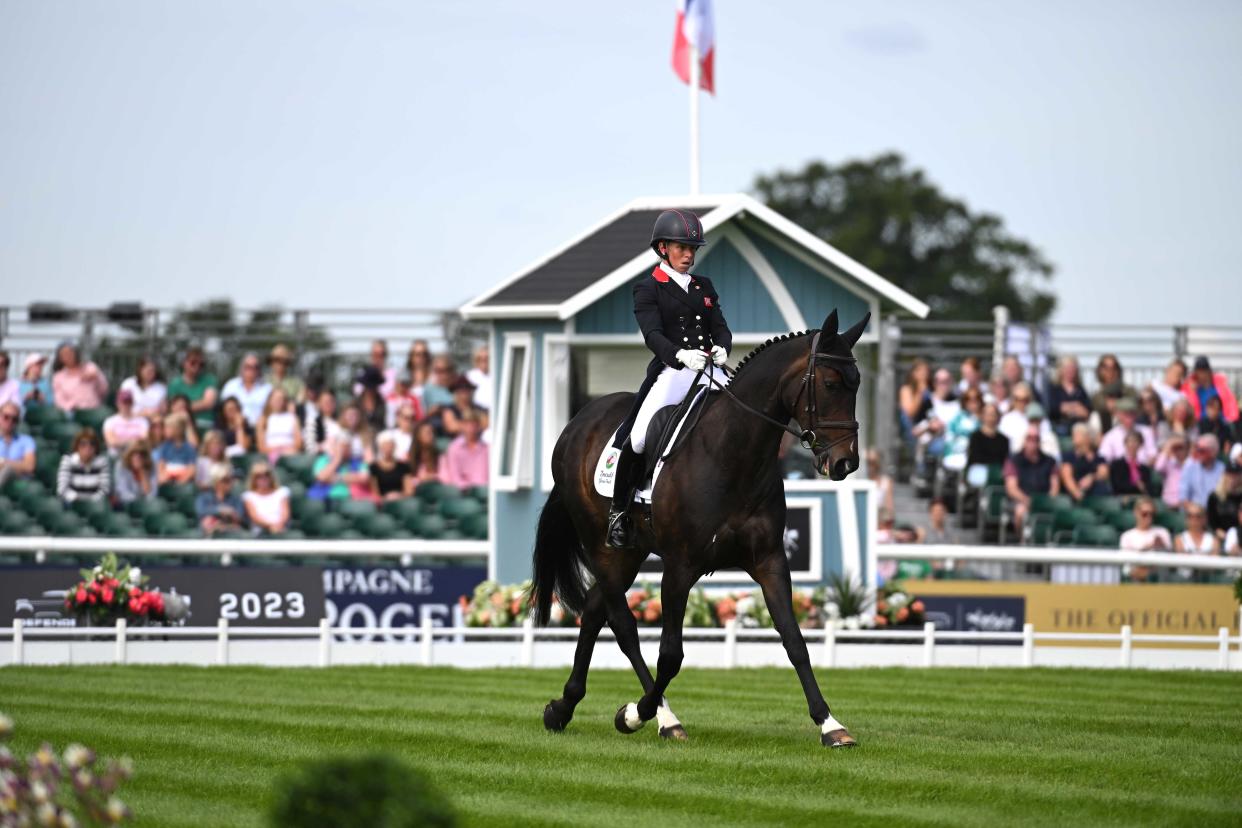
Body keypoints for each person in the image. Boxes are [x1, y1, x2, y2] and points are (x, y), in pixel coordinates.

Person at [606, 209, 731, 548]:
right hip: (674, 370)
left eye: (693, 249)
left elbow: (719, 325)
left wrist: (723, 347)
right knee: (639, 437)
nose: (689, 255)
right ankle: (619, 511)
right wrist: (679, 355)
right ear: (663, 248)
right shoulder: (648, 288)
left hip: (709, 368)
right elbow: (653, 335)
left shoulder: (704, 286)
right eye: (682, 248)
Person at [1003, 424, 1060, 538]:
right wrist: (1028, 501)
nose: (1033, 442)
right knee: (1020, 511)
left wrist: (1046, 502)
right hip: (1022, 501)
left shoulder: (1050, 461)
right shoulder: (1013, 460)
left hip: (1045, 501)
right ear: (1024, 440)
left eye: (1036, 439)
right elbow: (1012, 489)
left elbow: (1055, 487)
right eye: (1030, 438)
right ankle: (1022, 541)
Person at [308, 435, 371, 502]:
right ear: (335, 448)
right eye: (342, 447)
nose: (345, 450)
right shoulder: (323, 460)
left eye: (348, 447)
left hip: (350, 498)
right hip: (324, 497)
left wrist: (336, 478)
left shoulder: (358, 462)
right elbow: (321, 477)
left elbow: (364, 478)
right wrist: (337, 459)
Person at [57, 428, 110, 503]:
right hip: (72, 504)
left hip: (95, 505)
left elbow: (104, 490)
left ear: (96, 447)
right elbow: (62, 490)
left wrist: (91, 502)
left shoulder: (102, 462)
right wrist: (77, 500)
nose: (87, 448)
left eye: (92, 444)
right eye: (83, 444)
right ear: (77, 446)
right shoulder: (68, 461)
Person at [1060, 422, 1110, 502]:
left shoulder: (1098, 457)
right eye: (1074, 434)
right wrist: (1077, 493)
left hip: (1095, 495)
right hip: (1075, 497)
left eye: (1078, 434)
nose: (1074, 436)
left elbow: (1104, 473)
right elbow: (1067, 477)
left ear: (1087, 437)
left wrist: (1092, 477)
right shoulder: (1068, 457)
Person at [51, 342, 108, 412]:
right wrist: (72, 406)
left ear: (76, 353)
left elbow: (103, 390)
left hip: (94, 410)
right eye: (64, 354)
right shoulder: (58, 377)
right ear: (60, 358)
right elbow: (59, 400)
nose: (68, 356)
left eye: (70, 352)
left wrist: (97, 377)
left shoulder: (90, 367)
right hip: (73, 413)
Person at [1180, 356, 1238, 423]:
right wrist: (1192, 393)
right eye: (1199, 371)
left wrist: (1228, 420)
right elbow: (1190, 412)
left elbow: (1231, 407)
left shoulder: (1220, 387)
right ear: (1195, 373)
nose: (1202, 374)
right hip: (1199, 424)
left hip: (1221, 424)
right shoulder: (1189, 389)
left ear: (1209, 371)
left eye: (1204, 371)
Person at [1098, 398, 1156, 464]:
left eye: (1132, 413)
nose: (1129, 417)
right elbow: (1104, 458)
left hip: (1144, 469)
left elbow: (1153, 455)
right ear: (1118, 414)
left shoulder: (1146, 431)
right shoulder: (1110, 436)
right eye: (1125, 414)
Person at [220, 353, 271, 427]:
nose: (252, 370)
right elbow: (223, 410)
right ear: (241, 368)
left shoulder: (267, 389)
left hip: (259, 428)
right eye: (248, 367)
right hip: (233, 427)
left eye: (255, 367)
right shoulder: (231, 386)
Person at [1090, 354, 1136, 434]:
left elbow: (1134, 403)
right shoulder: (1097, 395)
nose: (1110, 372)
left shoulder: (1128, 390)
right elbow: (1098, 404)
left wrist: (1117, 405)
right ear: (1100, 371)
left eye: (1114, 368)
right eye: (1106, 368)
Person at [1046, 355, 1091, 436]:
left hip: (1078, 429)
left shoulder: (1080, 390)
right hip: (1058, 428)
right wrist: (1075, 406)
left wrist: (1066, 408)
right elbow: (1052, 409)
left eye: (1073, 368)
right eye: (1067, 368)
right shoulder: (1054, 388)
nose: (1070, 371)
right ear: (1061, 370)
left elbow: (1086, 412)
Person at [195, 463, 245, 536]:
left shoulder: (236, 499)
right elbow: (200, 511)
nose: (230, 483)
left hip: (230, 530)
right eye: (226, 480)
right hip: (209, 531)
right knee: (207, 522)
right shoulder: (204, 497)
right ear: (217, 482)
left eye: (230, 480)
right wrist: (220, 510)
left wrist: (231, 513)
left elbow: (239, 517)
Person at [439, 417, 489, 489]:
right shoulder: (454, 447)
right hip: (463, 490)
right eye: (467, 425)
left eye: (474, 426)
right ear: (462, 426)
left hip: (484, 489)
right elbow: (455, 476)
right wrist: (465, 487)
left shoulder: (486, 448)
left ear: (478, 427)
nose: (471, 429)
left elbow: (487, 476)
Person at [167, 346, 218, 416]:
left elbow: (208, 403)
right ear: (184, 363)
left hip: (205, 424)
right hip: (182, 422)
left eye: (201, 365)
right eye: (193, 363)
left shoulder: (209, 380)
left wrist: (183, 407)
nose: (197, 367)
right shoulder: (175, 384)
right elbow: (173, 408)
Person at [242, 461, 290, 535]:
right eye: (259, 476)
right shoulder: (248, 496)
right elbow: (255, 517)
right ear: (253, 479)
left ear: (271, 477)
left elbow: (285, 514)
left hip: (281, 529)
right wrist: (271, 526)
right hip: (260, 532)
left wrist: (278, 525)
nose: (263, 478)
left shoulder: (282, 492)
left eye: (267, 475)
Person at [256, 388, 303, 461]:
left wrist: (284, 449)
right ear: (270, 400)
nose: (278, 401)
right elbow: (261, 446)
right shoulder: (263, 419)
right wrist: (277, 450)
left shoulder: (292, 418)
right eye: (276, 399)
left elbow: (298, 443)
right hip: (269, 454)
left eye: (281, 399)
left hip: (290, 454)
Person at [942, 387, 982, 472]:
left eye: (976, 399)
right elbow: (949, 436)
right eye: (969, 399)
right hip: (956, 451)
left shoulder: (984, 419)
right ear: (965, 402)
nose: (973, 403)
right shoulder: (957, 418)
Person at [1179, 434, 1224, 509]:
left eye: (1202, 451)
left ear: (1213, 452)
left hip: (1215, 513)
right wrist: (1195, 511)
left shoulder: (1222, 469)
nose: (1198, 453)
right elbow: (1183, 497)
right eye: (1197, 449)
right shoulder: (1190, 466)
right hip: (1194, 513)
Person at [102, 389, 149, 456]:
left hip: (137, 455)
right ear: (117, 403)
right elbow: (111, 442)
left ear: (132, 403)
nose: (126, 405)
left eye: (128, 402)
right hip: (117, 456)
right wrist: (132, 441)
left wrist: (121, 442)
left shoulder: (142, 421)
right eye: (123, 402)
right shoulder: (110, 421)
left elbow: (144, 440)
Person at [1108, 431, 1154, 497]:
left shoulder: (1144, 468)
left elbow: (1148, 489)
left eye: (1135, 442)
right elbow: (1117, 486)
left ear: (1140, 445)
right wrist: (1137, 486)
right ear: (1125, 444)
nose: (1132, 445)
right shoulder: (1117, 464)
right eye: (1129, 441)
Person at [0, 401, 35, 486]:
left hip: (18, 480)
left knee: (8, 470)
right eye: (6, 417)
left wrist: (3, 462)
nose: (10, 421)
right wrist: (18, 464)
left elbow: (29, 466)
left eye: (14, 419)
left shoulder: (26, 440)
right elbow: (23, 465)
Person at [156, 413, 197, 485]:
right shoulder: (164, 447)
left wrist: (181, 481)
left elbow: (192, 469)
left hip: (183, 479)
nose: (165, 430)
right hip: (168, 478)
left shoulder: (189, 448)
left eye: (168, 428)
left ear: (177, 429)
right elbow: (160, 466)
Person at [369, 433, 413, 501]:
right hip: (383, 503)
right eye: (385, 446)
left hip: (401, 501)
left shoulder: (403, 466)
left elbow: (409, 490)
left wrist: (399, 496)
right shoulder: (373, 467)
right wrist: (386, 498)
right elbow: (375, 492)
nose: (388, 449)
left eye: (390, 446)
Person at [966, 403, 1010, 469]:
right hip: (978, 472)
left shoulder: (1004, 440)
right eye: (988, 414)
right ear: (982, 416)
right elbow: (974, 459)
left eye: (993, 414)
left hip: (996, 473)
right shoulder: (975, 437)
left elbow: (1003, 461)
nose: (990, 417)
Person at [113, 440, 157, 506]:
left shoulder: (151, 465)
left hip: (146, 506)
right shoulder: (121, 465)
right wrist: (138, 501)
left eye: (142, 454)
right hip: (125, 505)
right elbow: (123, 492)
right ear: (129, 455)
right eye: (134, 453)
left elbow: (153, 493)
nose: (138, 456)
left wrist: (143, 473)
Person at [1206, 462, 1242, 541]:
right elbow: (1211, 522)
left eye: (1236, 475)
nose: (1233, 478)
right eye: (1230, 474)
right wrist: (1224, 536)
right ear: (1224, 476)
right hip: (1219, 536)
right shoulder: (1214, 497)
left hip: (1239, 537)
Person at [1153, 435, 1189, 510]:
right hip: (1169, 504)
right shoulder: (1169, 463)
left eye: (1180, 448)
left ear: (1186, 449)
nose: (1178, 451)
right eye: (1175, 448)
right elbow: (1158, 467)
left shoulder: (1192, 465)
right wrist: (1169, 445)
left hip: (1187, 506)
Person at [898, 359, 931, 440]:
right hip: (912, 430)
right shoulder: (906, 390)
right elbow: (910, 413)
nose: (924, 374)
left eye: (926, 371)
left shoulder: (931, 389)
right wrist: (920, 392)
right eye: (920, 371)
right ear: (913, 373)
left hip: (929, 429)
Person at [303, 388, 341, 456]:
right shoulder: (313, 422)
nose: (328, 404)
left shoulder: (341, 422)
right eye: (325, 402)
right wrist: (324, 447)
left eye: (331, 401)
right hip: (320, 459)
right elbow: (309, 448)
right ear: (319, 404)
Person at [409, 421, 441, 487]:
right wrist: (420, 480)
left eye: (432, 432)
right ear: (418, 436)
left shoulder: (439, 456)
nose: (431, 435)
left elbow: (445, 477)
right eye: (428, 433)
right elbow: (407, 482)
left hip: (436, 487)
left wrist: (431, 477)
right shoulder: (409, 458)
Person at [865, 448, 895, 517]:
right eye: (868, 462)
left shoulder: (886, 482)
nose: (870, 466)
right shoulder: (861, 482)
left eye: (873, 462)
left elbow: (889, 507)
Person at [466, 344, 491, 410]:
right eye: (480, 359)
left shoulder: (498, 376)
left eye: (486, 359)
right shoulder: (469, 376)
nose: (483, 362)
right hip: (475, 413)